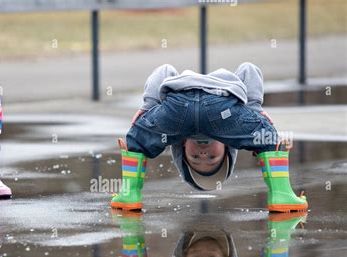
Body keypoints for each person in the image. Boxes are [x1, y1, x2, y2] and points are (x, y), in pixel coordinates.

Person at [110, 63, 308, 213]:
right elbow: (249, 68)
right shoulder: (229, 129)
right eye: (211, 158)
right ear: (227, 146)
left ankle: (130, 194)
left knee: (137, 142)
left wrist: (149, 107)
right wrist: (253, 110)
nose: (203, 154)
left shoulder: (175, 130)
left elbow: (164, 70)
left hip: (178, 108)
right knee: (269, 139)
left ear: (183, 146)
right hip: (222, 108)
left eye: (196, 158)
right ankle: (281, 196)